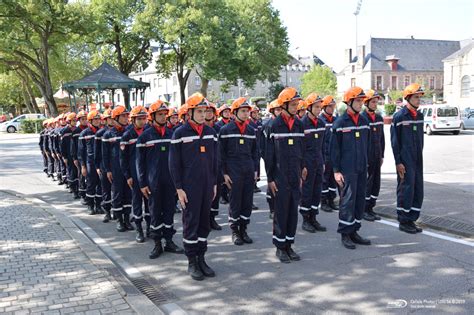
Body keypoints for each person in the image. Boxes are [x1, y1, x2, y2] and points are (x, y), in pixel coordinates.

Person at [169, 92, 217, 281]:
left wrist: (214, 184)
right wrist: (179, 188)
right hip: (189, 187)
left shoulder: (211, 133)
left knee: (204, 223)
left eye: (205, 111)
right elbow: (173, 164)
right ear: (189, 112)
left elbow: (215, 161)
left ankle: (201, 258)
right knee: (191, 223)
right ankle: (192, 261)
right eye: (199, 111)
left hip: (207, 186)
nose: (203, 114)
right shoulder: (180, 134)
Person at [137, 100, 183, 259]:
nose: (164, 117)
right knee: (155, 212)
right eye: (160, 114)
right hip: (153, 182)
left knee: (169, 210)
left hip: (170, 181)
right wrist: (142, 183)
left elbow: (178, 160)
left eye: (165, 114)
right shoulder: (144, 136)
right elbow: (140, 163)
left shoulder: (173, 134)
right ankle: (157, 243)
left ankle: (169, 241)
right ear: (153, 116)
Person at [266, 87, 306, 263]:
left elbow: (302, 149)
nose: (296, 107)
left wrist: (303, 167)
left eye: (297, 104)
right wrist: (270, 178)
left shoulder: (299, 124)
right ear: (284, 105)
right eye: (293, 104)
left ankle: (289, 244)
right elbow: (269, 155)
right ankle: (280, 247)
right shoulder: (274, 126)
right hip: (280, 176)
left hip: (294, 175)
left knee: (292, 212)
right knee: (281, 212)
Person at [330, 87, 372, 249]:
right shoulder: (340, 123)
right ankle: (345, 233)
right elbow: (334, 150)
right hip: (346, 169)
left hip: (361, 167)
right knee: (347, 200)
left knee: (359, 199)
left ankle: (355, 230)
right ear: (349, 102)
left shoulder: (364, 122)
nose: (361, 104)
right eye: (358, 101)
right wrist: (336, 171)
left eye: (362, 101)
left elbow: (367, 144)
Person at [219, 97, 259, 246]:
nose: (246, 114)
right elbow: (220, 154)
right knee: (235, 201)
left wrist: (255, 170)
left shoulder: (250, 130)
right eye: (242, 111)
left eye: (247, 111)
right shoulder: (225, 130)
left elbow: (256, 152)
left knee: (247, 201)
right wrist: (224, 173)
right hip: (233, 170)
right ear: (234, 113)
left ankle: (244, 229)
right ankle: (235, 231)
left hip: (248, 170)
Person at [391, 83, 425, 234]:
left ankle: (412, 219)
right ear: (408, 98)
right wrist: (398, 162)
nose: (419, 100)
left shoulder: (420, 116)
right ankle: (403, 221)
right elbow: (394, 142)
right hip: (405, 160)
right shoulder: (399, 117)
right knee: (406, 189)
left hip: (418, 159)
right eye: (416, 97)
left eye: (419, 97)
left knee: (418, 189)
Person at [120, 106, 151, 242]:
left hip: (148, 173)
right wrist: (128, 176)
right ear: (133, 120)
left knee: (150, 202)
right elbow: (123, 158)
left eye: (144, 118)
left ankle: (150, 227)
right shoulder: (127, 135)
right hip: (134, 174)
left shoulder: (149, 133)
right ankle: (139, 229)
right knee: (137, 202)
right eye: (140, 119)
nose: (143, 121)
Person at [299, 93, 327, 233]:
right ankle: (305, 219)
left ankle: (313, 217)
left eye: (320, 107)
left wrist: (323, 162)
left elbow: (323, 145)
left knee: (317, 190)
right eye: (316, 107)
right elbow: (300, 148)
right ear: (309, 107)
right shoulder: (302, 124)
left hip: (318, 161)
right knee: (307, 191)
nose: (319, 109)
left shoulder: (321, 123)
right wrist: (302, 165)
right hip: (307, 163)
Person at [102, 106, 133, 232]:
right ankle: (119, 220)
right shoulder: (108, 134)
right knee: (118, 194)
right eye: (123, 116)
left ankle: (127, 219)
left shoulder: (130, 132)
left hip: (128, 168)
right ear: (116, 118)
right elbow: (105, 155)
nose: (126, 118)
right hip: (115, 169)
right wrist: (108, 170)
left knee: (128, 194)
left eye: (127, 116)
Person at [361, 90, 385, 221]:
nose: (376, 104)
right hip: (367, 157)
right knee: (368, 183)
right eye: (373, 102)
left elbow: (382, 138)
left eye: (377, 102)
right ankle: (364, 209)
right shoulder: (363, 119)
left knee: (376, 183)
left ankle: (371, 208)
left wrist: (382, 155)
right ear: (367, 103)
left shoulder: (379, 118)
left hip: (377, 155)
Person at [261, 100, 282, 219]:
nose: (279, 112)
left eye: (281, 109)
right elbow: (263, 145)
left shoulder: (281, 125)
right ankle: (272, 208)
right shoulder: (268, 126)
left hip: (281, 160)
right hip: (270, 159)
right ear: (272, 111)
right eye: (277, 110)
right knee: (271, 183)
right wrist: (267, 159)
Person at [319, 96, 339, 212]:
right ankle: (324, 201)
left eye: (333, 106)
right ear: (324, 107)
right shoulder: (321, 121)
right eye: (330, 106)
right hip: (325, 155)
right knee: (324, 179)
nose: (332, 109)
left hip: (334, 155)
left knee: (332, 179)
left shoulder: (336, 120)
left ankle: (331, 200)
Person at [95, 109, 114, 223]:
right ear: (106, 120)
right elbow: (98, 152)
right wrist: (98, 166)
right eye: (110, 118)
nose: (112, 120)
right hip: (104, 166)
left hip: (117, 166)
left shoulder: (122, 132)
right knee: (106, 190)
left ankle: (119, 213)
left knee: (118, 191)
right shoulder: (101, 134)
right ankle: (107, 212)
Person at [60, 113, 80, 199]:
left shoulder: (78, 130)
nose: (75, 122)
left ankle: (79, 189)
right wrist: (64, 156)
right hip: (68, 155)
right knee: (72, 172)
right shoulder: (64, 131)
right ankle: (73, 189)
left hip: (77, 154)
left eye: (76, 121)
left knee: (78, 173)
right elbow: (62, 145)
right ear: (69, 121)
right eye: (73, 121)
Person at [72, 110, 89, 204]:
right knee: (82, 175)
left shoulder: (90, 130)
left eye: (86, 119)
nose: (85, 121)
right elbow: (73, 146)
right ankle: (82, 194)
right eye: (82, 119)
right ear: (79, 120)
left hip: (89, 156)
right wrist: (74, 158)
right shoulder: (76, 131)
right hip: (80, 156)